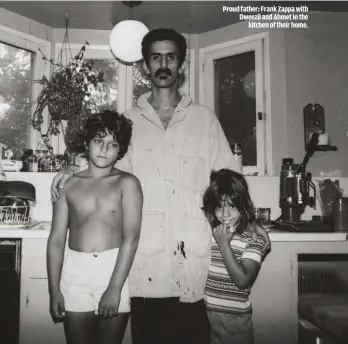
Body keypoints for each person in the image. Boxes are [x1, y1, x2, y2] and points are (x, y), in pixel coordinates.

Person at [51, 29, 270, 344]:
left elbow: (229, 181)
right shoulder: (127, 123)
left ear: (181, 63)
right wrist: (72, 166)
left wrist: (250, 222)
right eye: (156, 57)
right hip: (145, 269)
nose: (163, 64)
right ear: (145, 66)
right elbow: (104, 167)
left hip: (194, 268)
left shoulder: (204, 120)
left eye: (171, 57)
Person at [47, 110, 143, 344]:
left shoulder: (127, 183)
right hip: (75, 273)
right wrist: (54, 289)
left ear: (120, 150)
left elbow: (131, 237)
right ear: (86, 143)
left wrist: (114, 288)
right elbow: (57, 239)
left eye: (112, 144)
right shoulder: (68, 185)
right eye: (98, 141)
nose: (104, 149)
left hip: (112, 271)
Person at [202, 169, 268, 344]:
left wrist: (224, 245)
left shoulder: (253, 239)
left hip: (235, 319)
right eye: (219, 206)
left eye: (231, 206)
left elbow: (243, 280)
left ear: (243, 205)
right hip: (206, 315)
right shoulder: (210, 230)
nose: (224, 214)